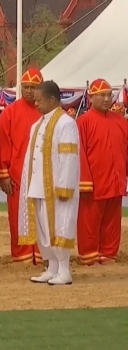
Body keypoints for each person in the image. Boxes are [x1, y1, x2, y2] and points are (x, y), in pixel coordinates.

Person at [19, 81, 79, 286]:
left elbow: (69, 158)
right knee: (44, 229)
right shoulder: (37, 125)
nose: (35, 104)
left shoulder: (66, 123)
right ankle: (51, 267)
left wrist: (65, 186)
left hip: (57, 188)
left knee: (59, 227)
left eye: (39, 100)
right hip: (38, 186)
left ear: (52, 100)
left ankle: (64, 270)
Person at [76, 79, 128, 265]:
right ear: (91, 97)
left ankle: (108, 254)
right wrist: (85, 181)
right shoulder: (83, 122)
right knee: (89, 220)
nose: (107, 99)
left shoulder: (121, 121)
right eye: (102, 95)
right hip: (94, 183)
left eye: (109, 95)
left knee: (113, 221)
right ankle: (89, 255)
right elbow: (79, 153)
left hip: (116, 180)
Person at [0, 68, 45, 264]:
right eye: (26, 87)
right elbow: (3, 145)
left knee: (42, 218)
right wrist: (4, 175)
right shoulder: (10, 113)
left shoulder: (47, 112)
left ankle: (41, 254)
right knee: (18, 218)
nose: (30, 91)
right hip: (17, 176)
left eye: (34, 87)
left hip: (42, 175)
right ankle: (22, 255)